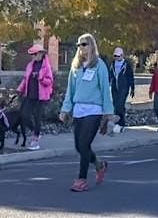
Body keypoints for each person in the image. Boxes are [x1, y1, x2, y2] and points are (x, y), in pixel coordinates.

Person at [59, 34, 113, 192]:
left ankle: (81, 180)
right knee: (79, 146)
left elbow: (105, 90)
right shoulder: (76, 66)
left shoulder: (100, 65)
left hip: (94, 110)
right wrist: (65, 109)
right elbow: (71, 90)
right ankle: (99, 165)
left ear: (91, 46)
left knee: (84, 144)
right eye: (79, 45)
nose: (81, 48)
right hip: (78, 110)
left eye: (84, 44)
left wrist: (108, 113)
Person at [17, 44, 54, 150]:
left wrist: (40, 78)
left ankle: (35, 139)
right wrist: (20, 88)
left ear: (41, 53)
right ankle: (35, 131)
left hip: (41, 96)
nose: (33, 56)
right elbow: (25, 79)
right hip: (30, 94)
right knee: (24, 115)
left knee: (37, 117)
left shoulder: (46, 66)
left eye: (35, 54)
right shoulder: (30, 65)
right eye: (32, 54)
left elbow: (50, 81)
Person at [108, 47, 135, 133]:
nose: (116, 57)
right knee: (116, 105)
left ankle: (120, 123)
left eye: (118, 56)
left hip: (124, 87)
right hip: (114, 87)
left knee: (120, 104)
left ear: (122, 55)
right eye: (115, 56)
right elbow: (110, 75)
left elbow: (131, 77)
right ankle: (119, 123)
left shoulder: (126, 65)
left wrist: (132, 88)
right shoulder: (112, 64)